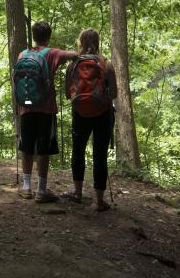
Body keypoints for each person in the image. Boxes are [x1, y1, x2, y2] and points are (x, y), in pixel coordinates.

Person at [12, 20, 77, 203]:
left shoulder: (22, 54)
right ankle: (41, 190)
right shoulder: (52, 53)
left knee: (26, 146)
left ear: (33, 36)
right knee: (44, 148)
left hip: (25, 108)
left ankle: (26, 187)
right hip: (46, 109)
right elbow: (74, 55)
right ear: (48, 36)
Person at [63, 28, 117, 211]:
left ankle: (77, 193)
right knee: (99, 154)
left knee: (78, 151)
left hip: (80, 113)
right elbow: (114, 93)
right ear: (98, 42)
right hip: (102, 113)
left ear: (80, 42)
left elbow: (66, 92)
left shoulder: (73, 65)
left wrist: (79, 98)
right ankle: (99, 201)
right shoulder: (106, 64)